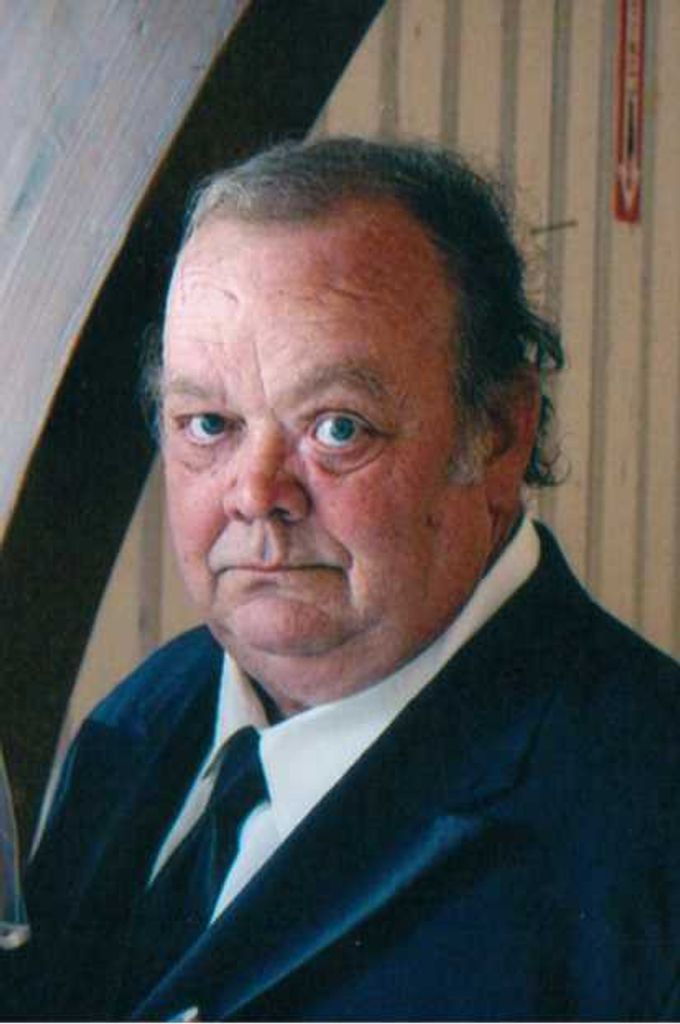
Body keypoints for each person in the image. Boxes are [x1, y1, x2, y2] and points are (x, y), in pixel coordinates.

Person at [10, 138, 680, 1021]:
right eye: (208, 423)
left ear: (499, 435)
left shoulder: (652, 822)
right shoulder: (139, 723)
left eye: (337, 428)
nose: (256, 493)